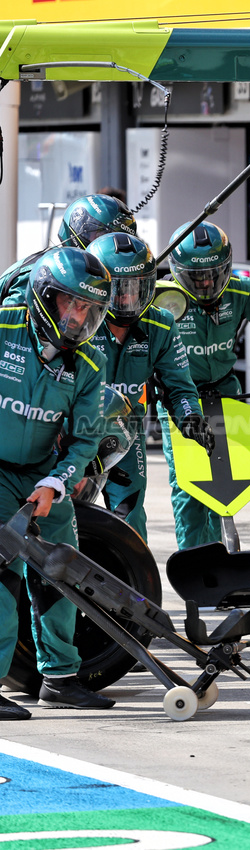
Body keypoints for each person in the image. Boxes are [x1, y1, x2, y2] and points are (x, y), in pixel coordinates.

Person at [0, 247, 112, 715]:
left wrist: (55, 483)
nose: (78, 317)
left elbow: (86, 442)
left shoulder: (89, 364)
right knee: (1, 578)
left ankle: (60, 679)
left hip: (43, 475)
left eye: (89, 308)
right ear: (46, 297)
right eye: (72, 303)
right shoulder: (3, 328)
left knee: (61, 571)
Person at [157, 221, 250, 551]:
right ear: (176, 270)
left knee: (226, 487)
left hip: (226, 392)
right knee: (189, 486)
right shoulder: (160, 298)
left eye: (213, 274)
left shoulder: (242, 290)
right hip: (178, 399)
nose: (204, 282)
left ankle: (221, 561)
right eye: (195, 275)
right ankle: (194, 561)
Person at [85, 233, 210, 541]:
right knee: (64, 512)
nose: (127, 298)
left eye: (136, 288)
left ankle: (129, 587)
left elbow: (179, 387)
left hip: (126, 436)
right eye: (118, 288)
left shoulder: (163, 324)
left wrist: (190, 417)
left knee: (129, 520)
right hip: (73, 431)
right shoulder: (78, 320)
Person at [0, 194, 137, 301]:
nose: (112, 250)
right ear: (81, 228)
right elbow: (13, 329)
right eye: (102, 238)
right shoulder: (43, 272)